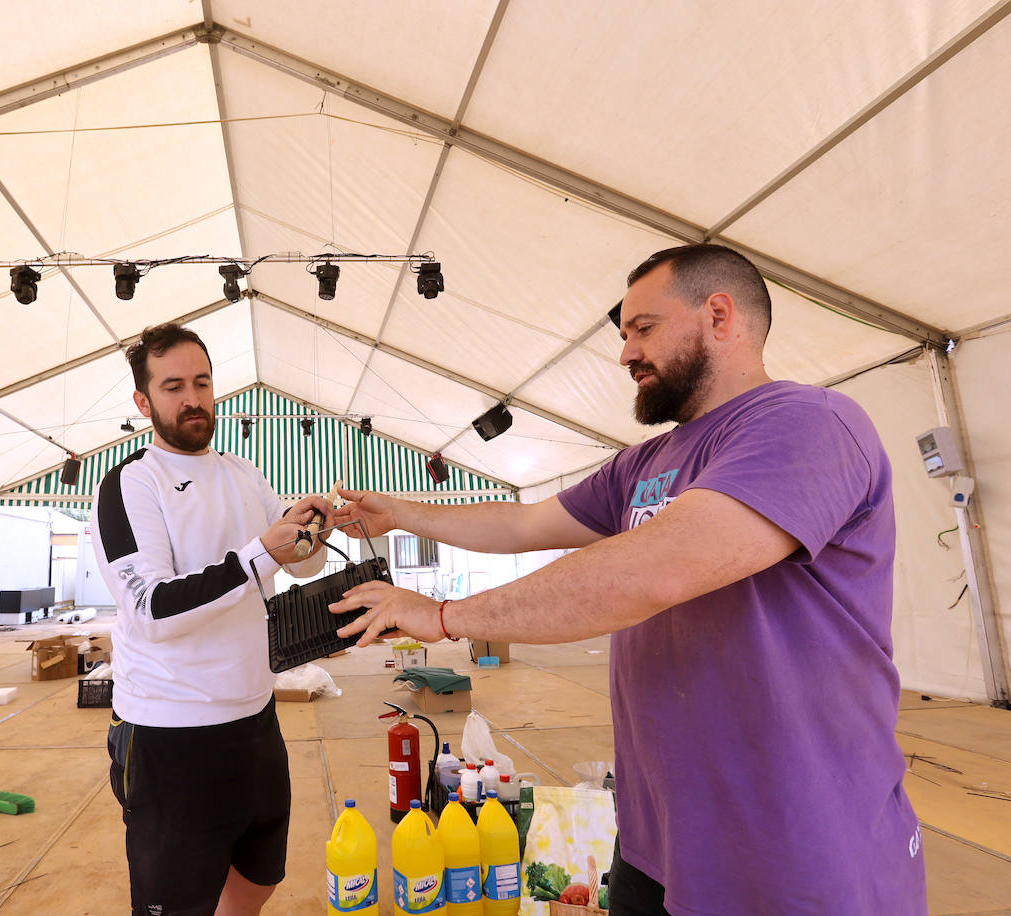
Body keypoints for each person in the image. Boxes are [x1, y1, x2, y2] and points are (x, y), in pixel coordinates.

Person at [330, 244, 926, 915]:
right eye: (623, 335)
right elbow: (525, 525)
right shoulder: (642, 464)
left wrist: (441, 617)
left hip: (792, 851)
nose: (624, 353)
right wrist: (400, 513)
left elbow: (651, 571)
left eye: (643, 328)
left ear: (719, 316)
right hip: (657, 844)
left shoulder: (809, 423)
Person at [94, 322, 335, 916]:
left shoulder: (240, 472)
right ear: (143, 401)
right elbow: (151, 609)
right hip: (169, 732)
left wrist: (313, 527)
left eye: (201, 382)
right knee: (175, 904)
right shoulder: (131, 483)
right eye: (173, 385)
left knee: (259, 875)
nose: (192, 398)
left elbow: (300, 563)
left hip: (254, 718)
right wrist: (262, 553)